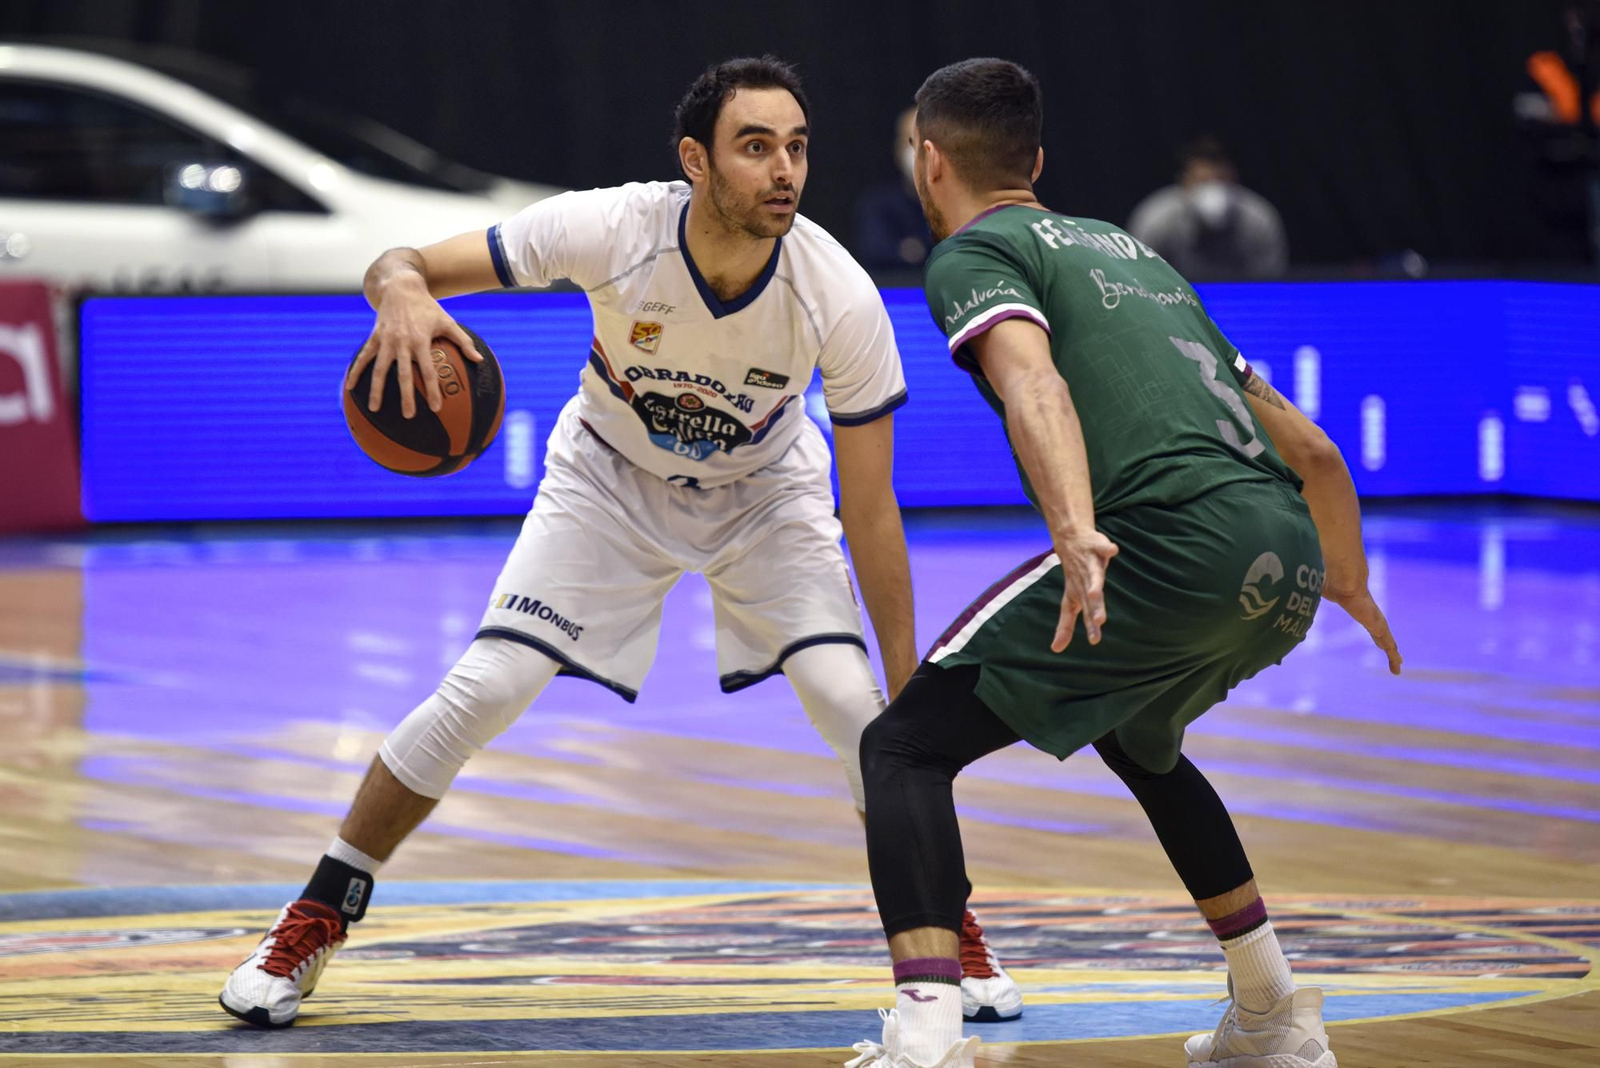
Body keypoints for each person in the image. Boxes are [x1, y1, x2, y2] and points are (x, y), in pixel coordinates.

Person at [219, 55, 1019, 1028]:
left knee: (855, 714)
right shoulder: (609, 227)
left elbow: (872, 510)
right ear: (695, 159)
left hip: (767, 495)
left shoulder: (836, 293)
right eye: (755, 146)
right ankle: (314, 914)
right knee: (485, 689)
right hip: (608, 479)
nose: (784, 171)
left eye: (797, 148)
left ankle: (949, 922)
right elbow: (406, 265)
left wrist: (905, 692)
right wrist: (398, 290)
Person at [846, 59, 1402, 1068]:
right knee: (1140, 742)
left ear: (929, 163)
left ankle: (924, 1029)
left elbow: (1035, 386)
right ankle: (1271, 1013)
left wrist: (1073, 530)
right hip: (1287, 558)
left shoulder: (972, 254)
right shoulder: (1130, 250)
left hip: (1173, 540)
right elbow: (1310, 446)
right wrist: (1347, 574)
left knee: (902, 748)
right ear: (1038, 161)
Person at [1127, 137, 1288, 280]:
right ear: (1184, 181)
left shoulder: (1259, 219)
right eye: (1202, 181)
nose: (1211, 188)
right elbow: (1140, 277)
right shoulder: (1156, 219)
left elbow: (1270, 280)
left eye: (1219, 179)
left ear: (1233, 179)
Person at [853, 107, 935, 271]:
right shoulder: (877, 206)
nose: (915, 152)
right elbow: (875, 251)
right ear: (897, 149)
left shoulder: (959, 207)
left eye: (923, 143)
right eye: (909, 142)